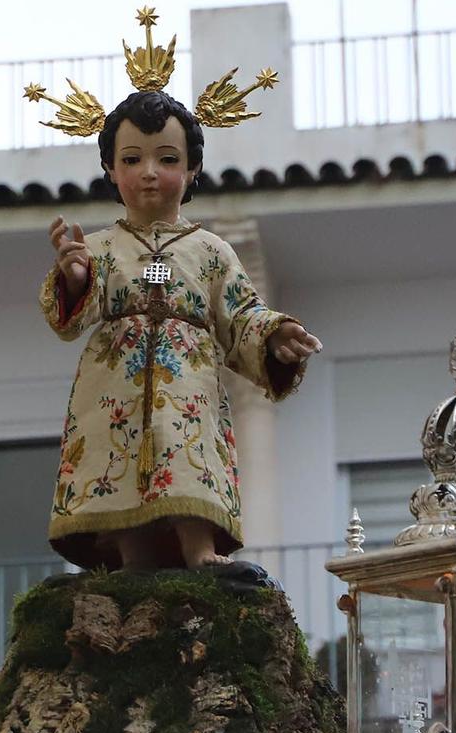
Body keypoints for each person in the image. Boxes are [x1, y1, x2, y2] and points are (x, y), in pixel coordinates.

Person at [41, 88, 321, 570]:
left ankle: (198, 547)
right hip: (114, 379)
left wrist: (274, 335)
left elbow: (241, 312)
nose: (149, 172)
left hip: (188, 376)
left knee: (187, 447)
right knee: (116, 454)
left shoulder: (211, 250)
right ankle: (131, 556)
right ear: (111, 168)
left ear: (192, 169)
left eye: (166, 159)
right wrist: (76, 279)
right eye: (132, 159)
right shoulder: (103, 247)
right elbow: (73, 320)